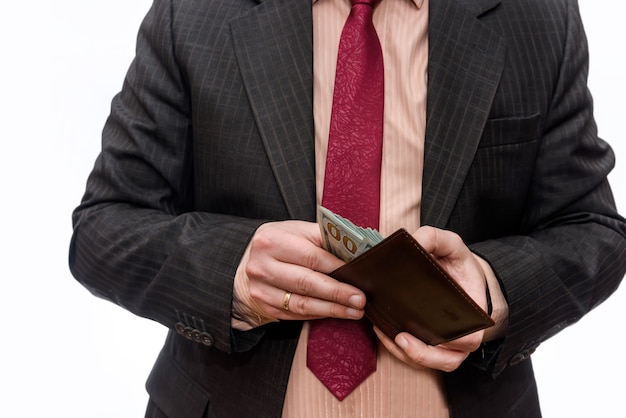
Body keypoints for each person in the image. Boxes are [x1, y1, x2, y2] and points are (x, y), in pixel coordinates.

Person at [69, 0, 626, 417]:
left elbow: (592, 228)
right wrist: (231, 271)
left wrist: (493, 289)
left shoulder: (537, 17)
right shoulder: (194, 12)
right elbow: (103, 227)